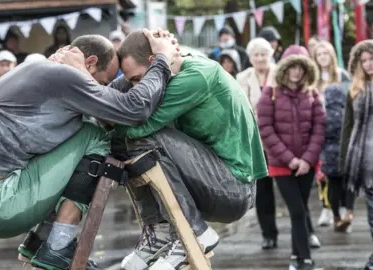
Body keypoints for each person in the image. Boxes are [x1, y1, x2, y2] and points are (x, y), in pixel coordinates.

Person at [0, 30, 178, 270]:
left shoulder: (43, 72)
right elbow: (135, 110)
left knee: (82, 130)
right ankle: (57, 246)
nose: (102, 90)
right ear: (90, 63)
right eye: (103, 83)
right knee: (93, 135)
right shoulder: (65, 76)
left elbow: (110, 105)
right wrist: (162, 59)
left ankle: (41, 240)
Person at [112, 29, 266, 269]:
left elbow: (143, 124)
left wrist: (107, 131)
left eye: (136, 79)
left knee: (146, 136)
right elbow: (115, 95)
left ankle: (193, 233)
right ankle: (159, 231)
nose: (135, 86)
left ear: (155, 63)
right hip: (211, 181)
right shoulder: (170, 70)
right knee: (125, 146)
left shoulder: (195, 76)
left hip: (234, 189)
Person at [257, 45, 326, 270]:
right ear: (284, 68)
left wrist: (306, 160)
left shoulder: (313, 94)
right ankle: (305, 259)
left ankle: (296, 259)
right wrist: (289, 159)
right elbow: (265, 129)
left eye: (301, 67)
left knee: (301, 209)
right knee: (297, 210)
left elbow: (319, 129)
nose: (296, 72)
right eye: (292, 66)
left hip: (307, 165)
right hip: (281, 165)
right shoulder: (271, 93)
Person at [236, 38, 278, 249]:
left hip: (280, 141)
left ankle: (306, 232)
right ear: (250, 58)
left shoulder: (281, 73)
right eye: (256, 55)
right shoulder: (242, 77)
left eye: (264, 54)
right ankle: (268, 234)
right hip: (255, 143)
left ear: (271, 54)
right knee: (263, 191)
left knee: (292, 190)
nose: (260, 58)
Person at [337, 39, 373, 269]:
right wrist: (343, 160)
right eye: (364, 60)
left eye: (372, 58)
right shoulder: (354, 90)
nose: (369, 63)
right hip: (364, 161)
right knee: (372, 214)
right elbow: (347, 127)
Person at [312, 40, 350, 227]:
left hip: (340, 130)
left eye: (325, 54)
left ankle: (341, 206)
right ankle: (326, 208)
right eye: (319, 55)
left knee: (340, 173)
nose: (322, 58)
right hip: (321, 131)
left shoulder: (342, 75)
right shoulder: (314, 78)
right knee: (322, 173)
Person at [321, 84, 347, 231]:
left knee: (332, 186)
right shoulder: (347, 113)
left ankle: (336, 215)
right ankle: (348, 210)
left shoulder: (323, 115)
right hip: (345, 154)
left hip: (328, 156)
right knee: (347, 186)